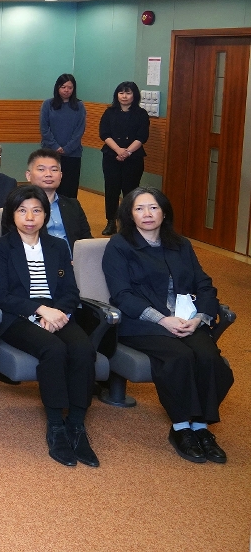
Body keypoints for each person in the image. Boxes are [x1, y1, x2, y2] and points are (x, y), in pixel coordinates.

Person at [102, 187, 233, 464]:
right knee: (179, 357)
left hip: (187, 320)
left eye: (153, 207)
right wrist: (162, 319)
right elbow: (122, 295)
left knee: (210, 359)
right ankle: (182, 428)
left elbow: (204, 285)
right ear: (130, 215)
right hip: (142, 323)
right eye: (139, 209)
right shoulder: (119, 245)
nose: (147, 214)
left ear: (164, 212)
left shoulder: (181, 244)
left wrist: (199, 318)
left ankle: (201, 428)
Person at [0, 184, 98, 468]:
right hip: (18, 316)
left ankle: (76, 424)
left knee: (83, 349)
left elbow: (71, 291)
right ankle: (56, 425)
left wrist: (56, 313)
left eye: (36, 211)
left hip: (57, 313)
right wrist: (39, 311)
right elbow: (0, 295)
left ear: (46, 215)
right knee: (53, 350)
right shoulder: (0, 247)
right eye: (22, 211)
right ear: (12, 215)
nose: (29, 217)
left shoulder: (57, 246)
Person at [99, 81, 150, 235]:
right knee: (111, 190)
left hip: (133, 158)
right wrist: (118, 150)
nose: (124, 96)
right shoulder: (109, 112)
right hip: (111, 156)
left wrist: (127, 152)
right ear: (117, 95)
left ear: (134, 95)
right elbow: (104, 134)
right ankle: (111, 222)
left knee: (131, 191)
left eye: (128, 93)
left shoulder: (141, 114)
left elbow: (142, 137)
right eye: (121, 93)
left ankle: (129, 224)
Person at [24, 149, 92, 251]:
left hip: (74, 259)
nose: (48, 174)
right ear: (28, 176)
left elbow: (87, 240)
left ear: (61, 175)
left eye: (54, 170)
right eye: (41, 169)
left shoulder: (73, 205)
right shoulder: (19, 207)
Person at [39, 74, 85, 198]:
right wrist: (55, 146)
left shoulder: (79, 106)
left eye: (70, 87)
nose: (66, 90)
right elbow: (44, 128)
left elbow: (80, 130)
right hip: (50, 152)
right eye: (63, 87)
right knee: (49, 186)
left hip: (73, 154)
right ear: (57, 87)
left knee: (69, 189)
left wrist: (67, 148)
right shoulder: (48, 104)